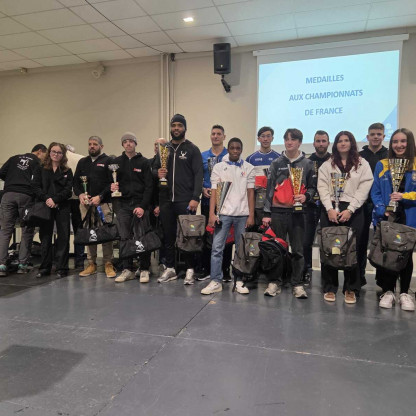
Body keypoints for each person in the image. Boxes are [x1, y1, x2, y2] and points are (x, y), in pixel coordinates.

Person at [318, 131, 373, 304]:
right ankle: (330, 287)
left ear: (352, 143)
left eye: (346, 140)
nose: (343, 143)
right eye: (340, 141)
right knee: (330, 249)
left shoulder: (362, 164)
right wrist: (329, 208)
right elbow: (322, 187)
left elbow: (364, 187)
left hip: (353, 210)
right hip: (330, 210)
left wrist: (350, 209)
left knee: (352, 250)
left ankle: (351, 288)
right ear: (335, 144)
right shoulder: (327, 165)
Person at [262, 128, 316, 299]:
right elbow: (269, 189)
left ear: (300, 142)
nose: (289, 142)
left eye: (293, 139)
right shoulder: (276, 163)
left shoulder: (307, 164)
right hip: (278, 212)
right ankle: (275, 282)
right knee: (276, 249)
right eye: (287, 139)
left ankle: (297, 284)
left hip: (298, 213)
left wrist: (306, 197)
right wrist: (267, 212)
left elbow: (313, 188)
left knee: (298, 250)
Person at [201, 138, 255, 295]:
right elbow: (214, 192)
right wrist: (212, 214)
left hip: (242, 215)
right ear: (228, 149)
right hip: (223, 214)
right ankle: (215, 281)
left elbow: (251, 193)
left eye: (238, 148)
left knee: (240, 250)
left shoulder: (249, 168)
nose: (235, 150)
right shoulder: (219, 167)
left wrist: (251, 215)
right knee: (217, 248)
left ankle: (239, 280)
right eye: (232, 148)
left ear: (241, 149)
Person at [371, 128, 416, 311]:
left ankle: (404, 293)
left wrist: (405, 196)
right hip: (388, 218)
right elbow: (375, 191)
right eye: (395, 142)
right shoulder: (382, 164)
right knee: (387, 254)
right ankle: (388, 291)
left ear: (410, 143)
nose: (399, 145)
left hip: (409, 217)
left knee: (406, 254)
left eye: (403, 141)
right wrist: (383, 210)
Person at [155, 114, 203, 285]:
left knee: (188, 236)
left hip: (186, 201)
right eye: (174, 125)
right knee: (168, 236)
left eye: (179, 125)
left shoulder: (192, 149)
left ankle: (190, 269)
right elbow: (153, 170)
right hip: (166, 200)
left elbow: (199, 175)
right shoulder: (164, 149)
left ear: (185, 128)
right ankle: (170, 268)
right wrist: (157, 173)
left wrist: (195, 198)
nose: (176, 128)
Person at [110, 132, 153, 283]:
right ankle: (127, 269)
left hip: (140, 205)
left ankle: (144, 269)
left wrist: (142, 206)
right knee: (124, 237)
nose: (128, 144)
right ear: (123, 144)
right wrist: (112, 186)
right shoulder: (116, 163)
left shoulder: (144, 162)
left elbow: (149, 187)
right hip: (123, 205)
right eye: (125, 141)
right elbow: (110, 182)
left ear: (135, 144)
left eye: (131, 141)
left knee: (142, 237)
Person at [0, 144, 47, 277]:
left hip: (8, 195)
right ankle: (22, 265)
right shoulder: (38, 162)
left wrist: (12, 180)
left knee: (5, 230)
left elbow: (1, 173)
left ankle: (1, 265)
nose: (45, 158)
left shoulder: (13, 158)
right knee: (27, 230)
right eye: (45, 155)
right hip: (26, 196)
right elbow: (39, 182)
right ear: (40, 152)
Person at [73, 136, 116, 278]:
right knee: (89, 233)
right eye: (90, 144)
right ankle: (91, 264)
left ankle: (108, 263)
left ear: (101, 146)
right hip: (86, 204)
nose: (92, 146)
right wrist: (80, 195)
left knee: (106, 233)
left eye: (95, 144)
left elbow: (112, 183)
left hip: (103, 203)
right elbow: (75, 183)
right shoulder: (82, 162)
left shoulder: (108, 161)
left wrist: (100, 196)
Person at [32, 143, 73, 278]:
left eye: (59, 152)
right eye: (54, 151)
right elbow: (36, 187)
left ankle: (62, 268)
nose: (56, 154)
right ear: (49, 152)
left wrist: (55, 200)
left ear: (63, 155)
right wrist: (47, 199)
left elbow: (68, 191)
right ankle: (45, 267)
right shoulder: (40, 169)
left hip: (62, 206)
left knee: (63, 237)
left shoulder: (67, 171)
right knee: (45, 237)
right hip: (45, 206)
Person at [199, 125, 231, 281]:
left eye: (219, 134)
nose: (216, 136)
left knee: (227, 236)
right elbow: (197, 176)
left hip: (226, 203)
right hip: (207, 202)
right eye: (213, 134)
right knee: (208, 235)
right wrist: (202, 188)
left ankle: (225, 270)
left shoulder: (230, 155)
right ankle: (207, 269)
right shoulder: (203, 156)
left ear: (224, 137)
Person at [358, 123, 388, 286]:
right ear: (367, 136)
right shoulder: (359, 156)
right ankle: (359, 277)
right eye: (373, 134)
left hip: (382, 205)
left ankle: (382, 279)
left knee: (383, 242)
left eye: (379, 134)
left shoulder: (389, 156)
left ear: (383, 136)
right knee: (360, 241)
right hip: (362, 204)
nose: (376, 137)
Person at [302, 130, 331, 284]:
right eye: (318, 141)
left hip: (328, 206)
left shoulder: (334, 160)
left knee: (327, 241)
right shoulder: (307, 161)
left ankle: (327, 274)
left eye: (323, 141)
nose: (321, 144)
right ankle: (306, 270)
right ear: (313, 143)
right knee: (306, 241)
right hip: (310, 205)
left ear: (328, 143)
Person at [246, 126, 280, 226]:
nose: (265, 139)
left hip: (273, 200)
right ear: (258, 139)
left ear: (272, 138)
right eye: (263, 136)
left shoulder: (279, 158)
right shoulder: (250, 158)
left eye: (268, 136)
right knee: (257, 226)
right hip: (256, 199)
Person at [66, 144, 86, 269]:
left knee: (63, 231)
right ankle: (79, 260)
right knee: (79, 230)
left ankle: (61, 260)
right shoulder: (81, 158)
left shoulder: (61, 159)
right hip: (78, 198)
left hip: (63, 199)